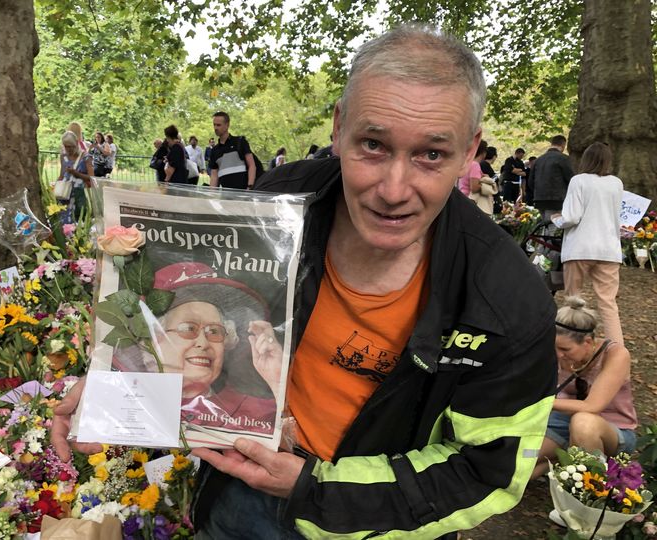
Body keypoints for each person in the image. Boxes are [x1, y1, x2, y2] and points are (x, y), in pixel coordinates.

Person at [52, 24, 557, 539]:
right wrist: (122, 383)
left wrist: (314, 489)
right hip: (238, 497)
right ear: (338, 127)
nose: (394, 189)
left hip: (379, 523)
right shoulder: (276, 208)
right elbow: (193, 331)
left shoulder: (506, 303)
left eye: (431, 154)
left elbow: (484, 472)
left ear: (470, 148)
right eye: (373, 144)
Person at [111, 262, 282, 435]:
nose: (204, 343)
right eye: (188, 329)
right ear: (149, 340)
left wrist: (276, 381)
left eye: (214, 331)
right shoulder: (118, 406)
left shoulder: (257, 413)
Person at [531, 297, 637, 480]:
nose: (558, 354)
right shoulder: (556, 354)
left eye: (565, 349)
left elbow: (592, 406)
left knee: (583, 422)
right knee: (521, 463)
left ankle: (592, 489)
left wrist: (541, 402)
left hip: (610, 429)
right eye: (554, 347)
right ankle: (560, 459)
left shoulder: (615, 355)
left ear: (587, 342)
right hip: (562, 423)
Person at [550, 142, 624, 344]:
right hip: (608, 249)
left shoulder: (579, 181)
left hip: (580, 248)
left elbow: (572, 217)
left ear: (586, 159)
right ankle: (616, 350)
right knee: (608, 304)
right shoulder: (616, 183)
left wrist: (557, 219)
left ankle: (571, 343)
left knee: (573, 300)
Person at [530, 135, 574, 222]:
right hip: (556, 199)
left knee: (544, 225)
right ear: (563, 145)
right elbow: (571, 179)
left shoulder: (538, 160)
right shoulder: (564, 159)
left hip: (539, 199)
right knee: (552, 228)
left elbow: (531, 182)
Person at [209, 112, 256, 189]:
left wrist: (249, 187)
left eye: (218, 125)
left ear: (227, 125)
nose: (215, 128)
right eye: (214, 125)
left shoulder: (240, 142)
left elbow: (252, 165)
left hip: (243, 191)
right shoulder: (214, 150)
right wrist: (211, 194)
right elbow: (214, 175)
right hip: (226, 194)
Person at [56, 131, 94, 223]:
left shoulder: (85, 157)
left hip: (79, 196)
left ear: (76, 144)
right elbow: (61, 175)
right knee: (64, 223)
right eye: (66, 146)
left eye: (71, 146)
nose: (68, 149)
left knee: (79, 221)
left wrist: (76, 173)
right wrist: (56, 187)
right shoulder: (63, 156)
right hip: (65, 195)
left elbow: (92, 178)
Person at [463, 140, 497, 214]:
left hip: (463, 199)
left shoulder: (466, 163)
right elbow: (474, 187)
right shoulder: (475, 165)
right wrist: (485, 182)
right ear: (483, 153)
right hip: (471, 201)